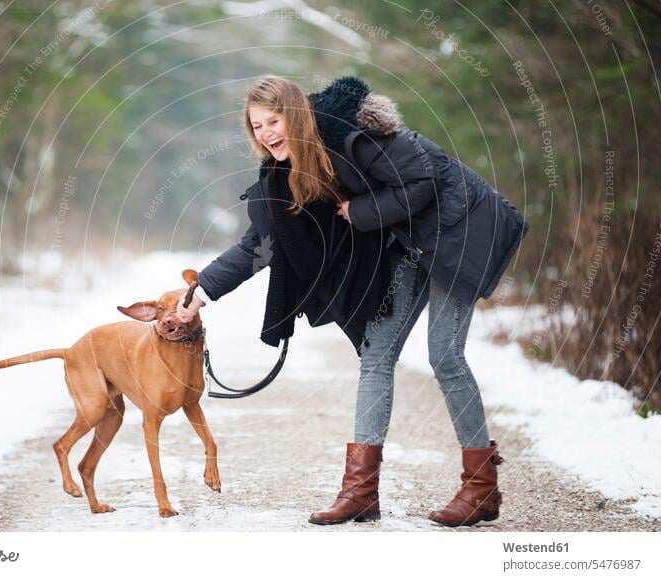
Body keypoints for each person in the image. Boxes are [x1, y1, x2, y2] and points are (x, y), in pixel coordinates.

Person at [176, 75, 528, 527]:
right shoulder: (285, 175)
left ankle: (481, 488)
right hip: (407, 245)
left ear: (296, 115)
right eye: (256, 126)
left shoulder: (353, 136)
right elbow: (260, 245)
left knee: (445, 355)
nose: (265, 134)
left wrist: (358, 212)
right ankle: (361, 493)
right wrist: (200, 293)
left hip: (456, 230)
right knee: (376, 354)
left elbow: (422, 179)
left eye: (273, 120)